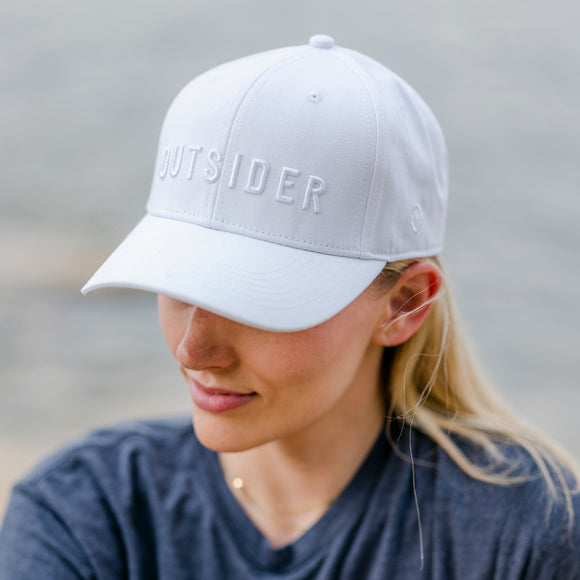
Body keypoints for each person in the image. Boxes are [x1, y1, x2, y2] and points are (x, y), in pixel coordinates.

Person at [1, 34, 579, 579]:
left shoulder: (528, 532)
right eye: (178, 281)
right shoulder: (81, 513)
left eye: (255, 300)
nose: (193, 350)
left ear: (404, 304)